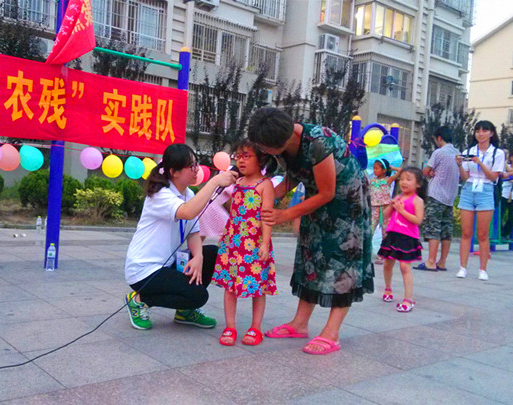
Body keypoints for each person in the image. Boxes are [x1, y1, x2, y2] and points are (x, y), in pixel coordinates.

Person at [247, 107, 373, 355]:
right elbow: (293, 178)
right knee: (310, 256)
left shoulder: (318, 142)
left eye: (265, 148)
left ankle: (331, 333)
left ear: (282, 141)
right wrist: (256, 198)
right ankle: (299, 324)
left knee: (341, 263)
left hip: (346, 203)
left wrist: (284, 215)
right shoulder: (284, 143)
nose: (264, 152)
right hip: (317, 200)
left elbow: (327, 192)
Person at [124, 144, 238, 330]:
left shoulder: (188, 194)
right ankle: (139, 299)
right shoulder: (160, 195)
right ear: (174, 172)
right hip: (145, 270)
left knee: (212, 253)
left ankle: (184, 311)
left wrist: (198, 257)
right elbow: (187, 212)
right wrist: (215, 182)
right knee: (198, 296)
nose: (197, 170)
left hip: (168, 264)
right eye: (191, 166)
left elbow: (193, 231)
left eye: (196, 164)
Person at [212, 139, 276, 346]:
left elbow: (267, 217)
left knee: (258, 286)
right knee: (230, 286)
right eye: (238, 156)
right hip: (233, 243)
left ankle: (256, 327)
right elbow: (232, 210)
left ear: (261, 159)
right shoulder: (237, 183)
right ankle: (230, 326)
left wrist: (265, 244)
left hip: (255, 244)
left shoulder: (265, 185)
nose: (240, 161)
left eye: (246, 156)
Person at [455, 120, 505, 281]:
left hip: (486, 189)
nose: (480, 134)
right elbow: (465, 177)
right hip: (469, 189)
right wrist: (459, 165)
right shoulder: (469, 151)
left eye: (484, 131)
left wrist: (480, 163)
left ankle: (483, 269)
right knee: (466, 232)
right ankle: (462, 267)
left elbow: (494, 176)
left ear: (491, 133)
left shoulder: (497, 153)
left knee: (483, 234)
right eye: (477, 131)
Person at [377, 167, 426, 312]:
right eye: (402, 179)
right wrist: (391, 206)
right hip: (393, 235)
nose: (404, 182)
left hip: (408, 238)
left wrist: (401, 210)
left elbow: (418, 220)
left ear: (418, 184)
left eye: (408, 179)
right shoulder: (398, 198)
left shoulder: (417, 200)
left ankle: (408, 300)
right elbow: (385, 216)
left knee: (405, 267)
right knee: (387, 264)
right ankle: (388, 288)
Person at [414, 126, 460, 271]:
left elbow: (425, 171)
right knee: (446, 230)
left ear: (439, 138)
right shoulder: (458, 153)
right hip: (450, 197)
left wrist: (431, 172)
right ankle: (442, 262)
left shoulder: (439, 152)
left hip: (436, 195)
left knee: (433, 228)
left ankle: (431, 261)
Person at [370, 159, 401, 264]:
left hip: (385, 209)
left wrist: (391, 168)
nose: (374, 170)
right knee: (370, 230)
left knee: (385, 233)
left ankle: (382, 255)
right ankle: (367, 252)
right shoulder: (372, 181)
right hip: (374, 209)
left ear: (383, 170)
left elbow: (400, 171)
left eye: (377, 168)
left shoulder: (388, 180)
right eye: (374, 168)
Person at [500, 150, 513, 240]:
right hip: (504, 193)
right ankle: (500, 233)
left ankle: (505, 233)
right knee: (500, 213)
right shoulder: (504, 165)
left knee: (511, 216)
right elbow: (504, 174)